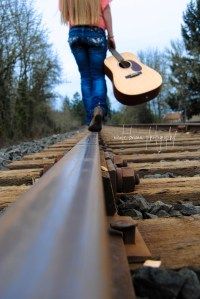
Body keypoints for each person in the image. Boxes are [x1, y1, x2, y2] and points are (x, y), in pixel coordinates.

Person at [59, 0, 115, 132]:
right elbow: (106, 10)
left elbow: (64, 11)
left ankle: (91, 117)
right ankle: (99, 109)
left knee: (85, 77)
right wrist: (111, 36)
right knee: (97, 76)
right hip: (95, 32)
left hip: (75, 33)